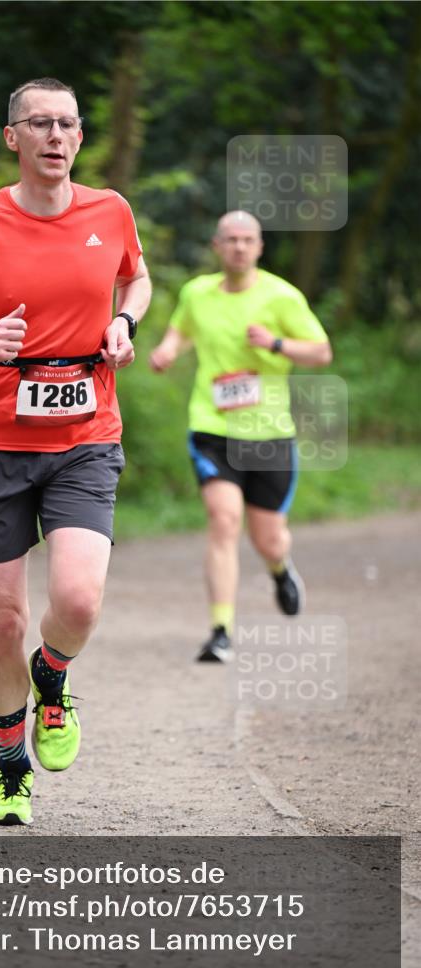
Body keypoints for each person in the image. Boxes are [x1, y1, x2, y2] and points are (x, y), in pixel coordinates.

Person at [0, 78, 151, 824]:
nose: (54, 135)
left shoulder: (111, 211)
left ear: (79, 137)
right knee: (2, 618)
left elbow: (135, 278)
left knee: (76, 601)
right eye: (38, 123)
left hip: (84, 438)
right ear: (11, 137)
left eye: (67, 123)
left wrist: (125, 324)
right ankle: (11, 769)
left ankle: (54, 676)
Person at [149, 211, 331, 663]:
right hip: (214, 428)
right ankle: (222, 630)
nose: (239, 247)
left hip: (269, 433)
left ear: (260, 247)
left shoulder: (281, 296)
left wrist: (275, 345)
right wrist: (169, 349)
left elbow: (321, 351)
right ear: (217, 246)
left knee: (269, 539)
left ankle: (280, 570)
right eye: (230, 239)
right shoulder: (197, 293)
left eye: (247, 240)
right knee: (224, 521)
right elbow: (181, 330)